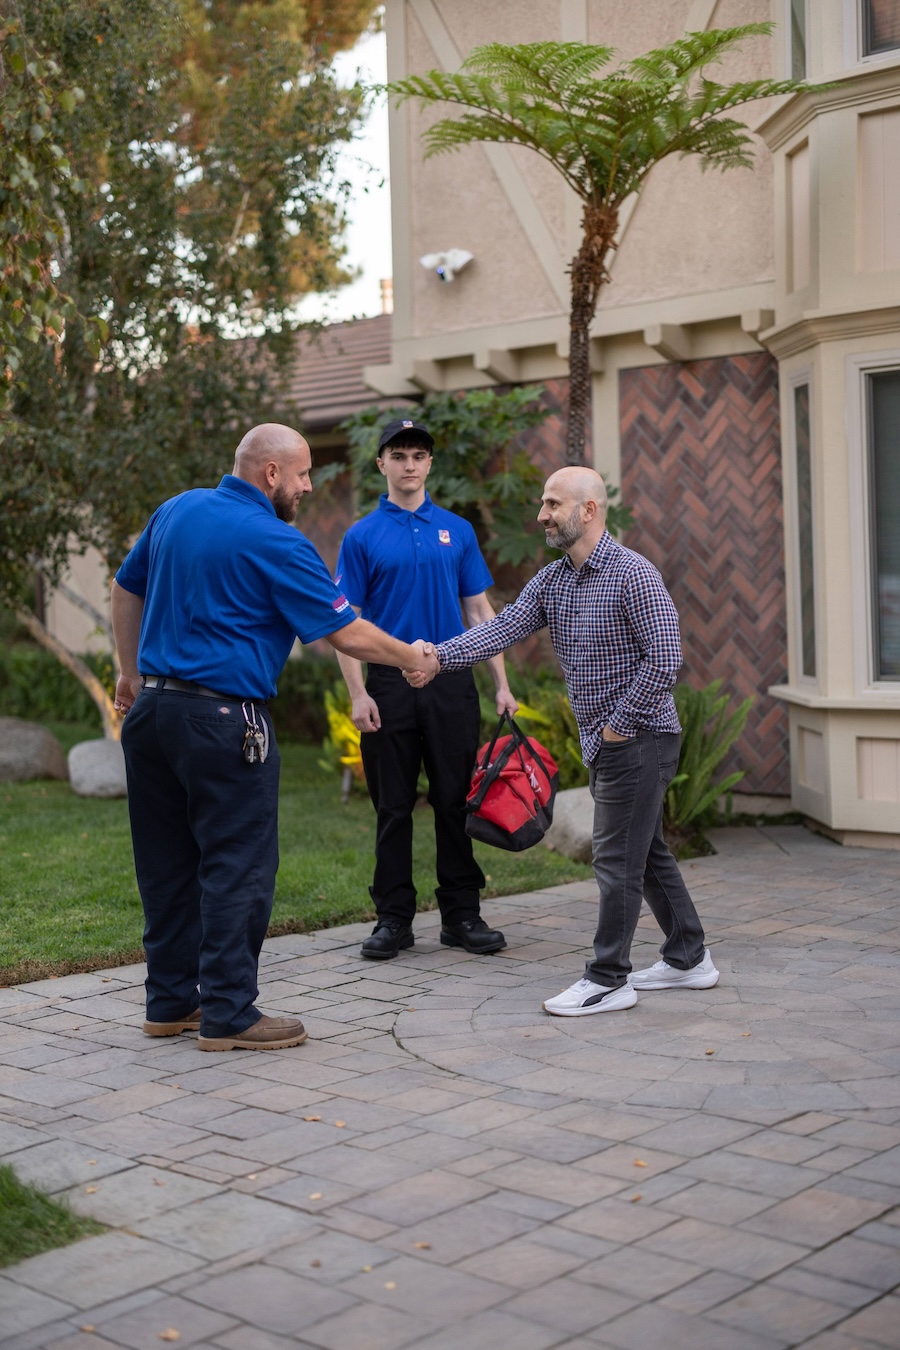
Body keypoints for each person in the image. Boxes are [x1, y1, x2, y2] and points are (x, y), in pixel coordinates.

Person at [111, 423, 437, 1052]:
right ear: (271, 474)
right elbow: (346, 634)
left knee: (165, 863)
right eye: (304, 474)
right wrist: (410, 657)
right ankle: (229, 1013)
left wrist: (128, 673)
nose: (309, 486)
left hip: (151, 715)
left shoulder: (176, 510)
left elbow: (126, 587)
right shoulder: (277, 541)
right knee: (238, 865)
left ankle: (170, 1001)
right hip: (223, 721)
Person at [405, 465, 719, 1016]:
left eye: (552, 504)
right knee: (643, 855)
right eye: (543, 504)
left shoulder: (633, 575)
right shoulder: (555, 580)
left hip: (639, 739)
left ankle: (608, 978)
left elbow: (666, 659)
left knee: (617, 859)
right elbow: (502, 629)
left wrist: (619, 725)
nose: (541, 514)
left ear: (588, 510)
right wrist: (436, 656)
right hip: (611, 743)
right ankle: (689, 956)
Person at [335, 417, 518, 960]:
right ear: (382, 464)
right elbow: (346, 621)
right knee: (392, 807)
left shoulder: (457, 530)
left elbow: (480, 611)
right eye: (399, 455)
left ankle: (462, 915)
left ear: (429, 464)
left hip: (452, 680)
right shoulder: (362, 535)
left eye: (419, 455)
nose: (410, 464)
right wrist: (358, 694)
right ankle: (393, 920)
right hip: (388, 688)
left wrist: (502, 684)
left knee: (454, 802)